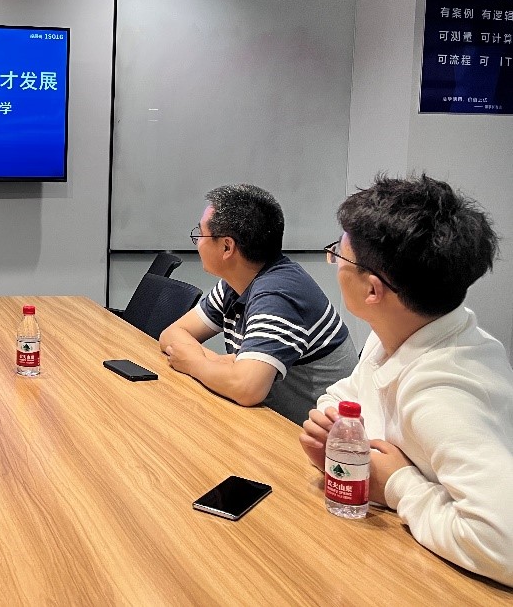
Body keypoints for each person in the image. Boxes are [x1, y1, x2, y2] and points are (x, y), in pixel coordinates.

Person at [300, 175, 513, 586]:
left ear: (373, 290)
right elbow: (344, 394)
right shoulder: (404, 332)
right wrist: (335, 429)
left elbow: (504, 545)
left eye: (338, 256)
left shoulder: (444, 394)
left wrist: (397, 485)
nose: (335, 263)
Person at [159, 184, 357, 423]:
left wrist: (194, 362)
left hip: (307, 434)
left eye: (200, 234)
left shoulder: (279, 293)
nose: (198, 241)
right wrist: (220, 363)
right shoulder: (236, 283)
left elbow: (246, 388)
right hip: (266, 421)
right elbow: (172, 334)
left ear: (227, 247)